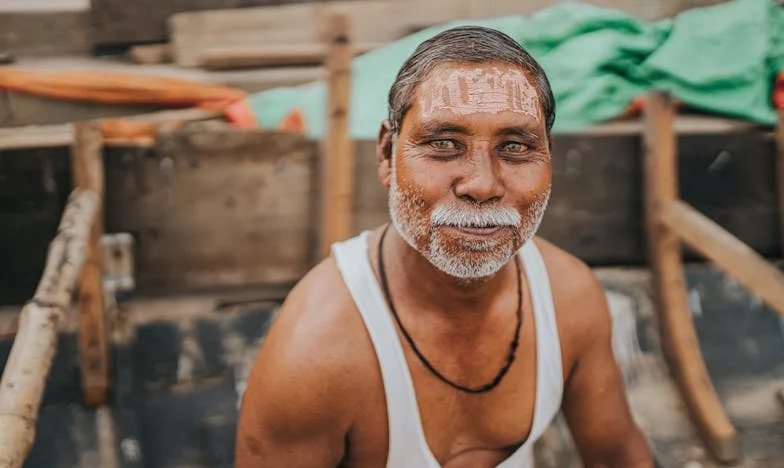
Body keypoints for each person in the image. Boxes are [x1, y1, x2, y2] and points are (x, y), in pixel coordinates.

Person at [235, 25, 653, 467]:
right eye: (443, 144)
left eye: (514, 147)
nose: (482, 184)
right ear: (386, 154)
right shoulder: (317, 356)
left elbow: (616, 455)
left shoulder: (569, 298)